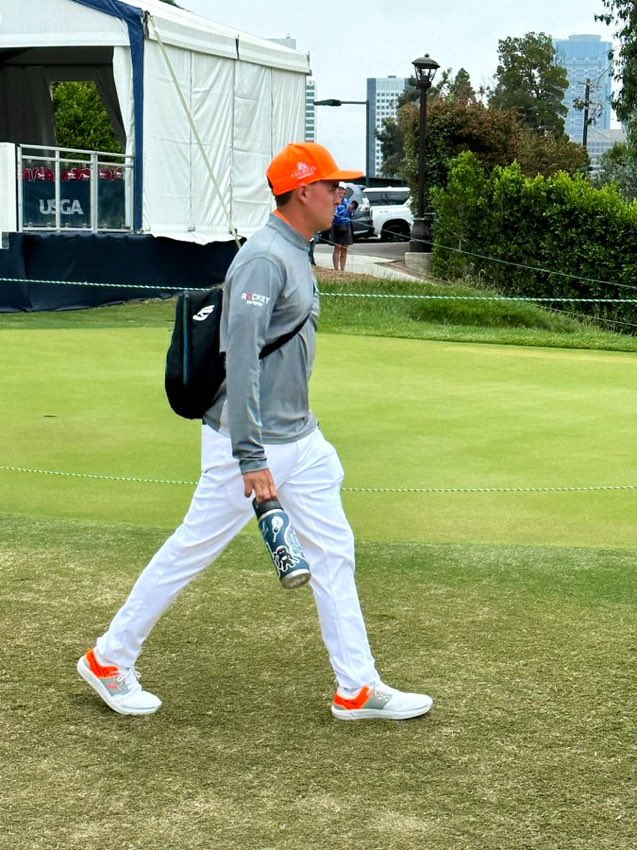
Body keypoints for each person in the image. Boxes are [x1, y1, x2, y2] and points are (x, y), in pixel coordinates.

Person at [76, 142, 433, 722]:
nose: (341, 195)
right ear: (301, 192)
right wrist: (250, 457)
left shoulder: (295, 251)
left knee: (333, 552)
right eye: (333, 186)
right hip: (249, 443)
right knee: (192, 549)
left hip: (302, 440)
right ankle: (109, 660)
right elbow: (239, 361)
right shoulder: (264, 259)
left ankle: (357, 688)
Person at [330, 184, 355, 271]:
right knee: (337, 247)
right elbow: (335, 214)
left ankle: (343, 269)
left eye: (343, 189)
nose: (341, 191)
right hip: (337, 225)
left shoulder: (348, 201)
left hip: (347, 225)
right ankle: (336, 269)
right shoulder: (334, 201)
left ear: (345, 191)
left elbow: (351, 215)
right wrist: (346, 210)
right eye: (339, 189)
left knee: (345, 249)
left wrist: (351, 210)